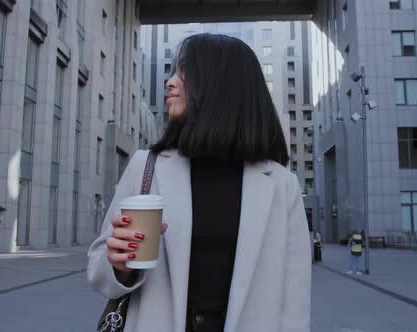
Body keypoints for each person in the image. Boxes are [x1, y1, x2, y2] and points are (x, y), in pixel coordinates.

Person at [87, 33, 311, 332]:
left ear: (220, 85)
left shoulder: (282, 185)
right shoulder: (146, 166)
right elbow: (100, 272)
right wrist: (119, 266)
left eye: (184, 72)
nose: (170, 82)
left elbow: (294, 301)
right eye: (171, 71)